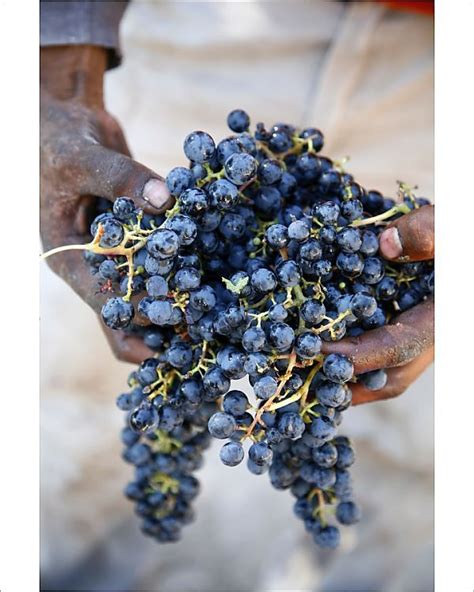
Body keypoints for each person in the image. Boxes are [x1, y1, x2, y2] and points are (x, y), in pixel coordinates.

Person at [40, 1, 434, 590]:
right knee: (74, 402)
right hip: (203, 33)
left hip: (436, 88)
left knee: (415, 465)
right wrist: (57, 58)